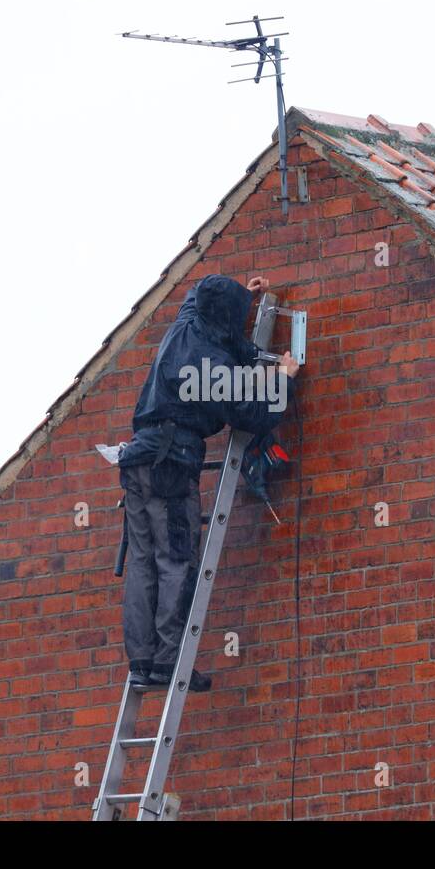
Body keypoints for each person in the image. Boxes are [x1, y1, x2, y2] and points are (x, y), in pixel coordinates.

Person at [116, 273, 300, 692]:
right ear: (226, 320)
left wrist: (242, 296)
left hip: (138, 461)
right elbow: (252, 414)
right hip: (171, 464)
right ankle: (166, 664)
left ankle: (143, 662)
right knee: (175, 560)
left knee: (143, 563)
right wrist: (285, 378)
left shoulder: (185, 325)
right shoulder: (209, 367)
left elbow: (193, 297)